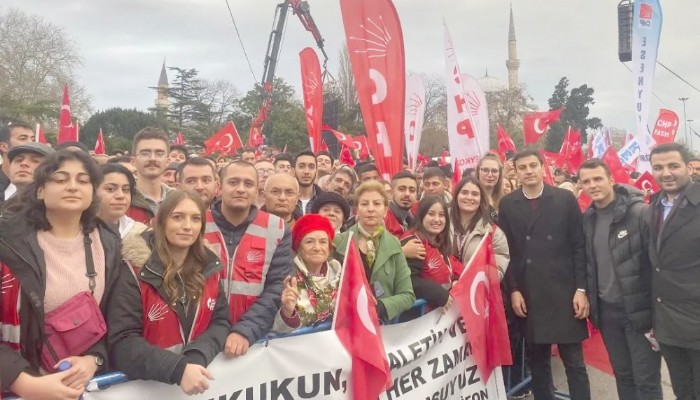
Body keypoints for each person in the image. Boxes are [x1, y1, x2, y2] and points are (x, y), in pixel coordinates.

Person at [0, 150, 122, 398]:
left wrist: (94, 359)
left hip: (82, 388)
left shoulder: (108, 241)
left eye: (83, 180)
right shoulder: (8, 243)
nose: (73, 186)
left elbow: (116, 317)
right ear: (41, 190)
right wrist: (22, 383)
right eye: (61, 179)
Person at [108, 190, 230, 396]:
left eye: (195, 219)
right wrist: (178, 368)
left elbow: (221, 322)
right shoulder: (133, 271)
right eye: (177, 217)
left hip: (191, 382)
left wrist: (197, 356)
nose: (187, 226)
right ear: (161, 222)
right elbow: (122, 342)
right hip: (142, 389)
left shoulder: (210, 268)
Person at [498, 148, 590, 400]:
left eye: (532, 166)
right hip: (530, 292)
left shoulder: (563, 199)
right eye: (522, 168)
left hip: (565, 292)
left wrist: (582, 289)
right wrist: (514, 289)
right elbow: (508, 252)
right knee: (537, 362)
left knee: (574, 363)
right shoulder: (507, 204)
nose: (528, 171)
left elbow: (578, 246)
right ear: (515, 173)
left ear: (542, 167)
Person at [578, 158, 662, 400]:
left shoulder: (639, 214)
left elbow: (655, 264)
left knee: (646, 381)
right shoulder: (588, 219)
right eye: (586, 181)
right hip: (607, 313)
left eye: (597, 179)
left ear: (611, 180)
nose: (592, 185)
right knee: (623, 375)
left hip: (639, 312)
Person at [208, 161, 292, 356]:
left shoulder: (277, 228)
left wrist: (245, 330)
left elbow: (277, 286)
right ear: (219, 187)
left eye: (248, 184)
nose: (240, 189)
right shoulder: (198, 223)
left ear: (257, 190)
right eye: (233, 182)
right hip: (201, 340)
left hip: (249, 341)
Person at [648, 143, 700, 399]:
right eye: (658, 167)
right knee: (683, 393)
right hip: (668, 325)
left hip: (696, 319)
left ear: (688, 167)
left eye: (673, 166)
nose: (666, 173)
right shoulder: (654, 205)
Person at [334, 181, 415, 323]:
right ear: (357, 210)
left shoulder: (394, 245)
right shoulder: (339, 242)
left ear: (385, 210)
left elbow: (407, 295)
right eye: (364, 204)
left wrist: (382, 307)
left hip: (383, 327)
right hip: (347, 324)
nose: (370, 209)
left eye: (377, 204)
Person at [273, 214, 342, 333]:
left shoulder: (343, 276)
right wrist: (287, 312)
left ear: (329, 247)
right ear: (298, 247)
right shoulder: (287, 278)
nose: (317, 248)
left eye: (323, 242)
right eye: (309, 241)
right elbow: (278, 332)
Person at [400, 196, 461, 311]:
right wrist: (439, 293)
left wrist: (455, 281)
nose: (437, 219)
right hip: (417, 319)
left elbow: (448, 270)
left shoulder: (440, 243)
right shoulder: (414, 243)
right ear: (422, 216)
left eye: (441, 215)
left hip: (438, 317)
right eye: (431, 214)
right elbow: (409, 281)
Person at [451, 176, 509, 278]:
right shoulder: (441, 222)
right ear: (456, 195)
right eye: (464, 192)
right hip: (442, 289)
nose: (469, 197)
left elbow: (499, 267)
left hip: (476, 288)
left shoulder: (493, 232)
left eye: (475, 194)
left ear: (481, 199)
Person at [127, 127, 173, 224]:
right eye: (145, 153)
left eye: (159, 153)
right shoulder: (122, 200)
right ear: (133, 161)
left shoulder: (178, 200)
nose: (152, 158)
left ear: (167, 161)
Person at [97, 163, 148, 240]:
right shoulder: (77, 232)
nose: (121, 196)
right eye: (110, 189)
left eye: (125, 190)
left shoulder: (142, 234)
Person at [1, 143, 55, 211]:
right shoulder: (6, 206)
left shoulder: (54, 210)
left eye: (35, 161)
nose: (24, 163)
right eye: (19, 160)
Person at [0, 121, 35, 203]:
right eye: (23, 138)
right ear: (3, 147)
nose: (31, 143)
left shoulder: (40, 185)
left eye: (33, 139)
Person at [294, 151, 323, 215]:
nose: (306, 171)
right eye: (301, 166)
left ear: (317, 171)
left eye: (311, 167)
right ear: (293, 170)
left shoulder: (325, 201)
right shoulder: (285, 199)